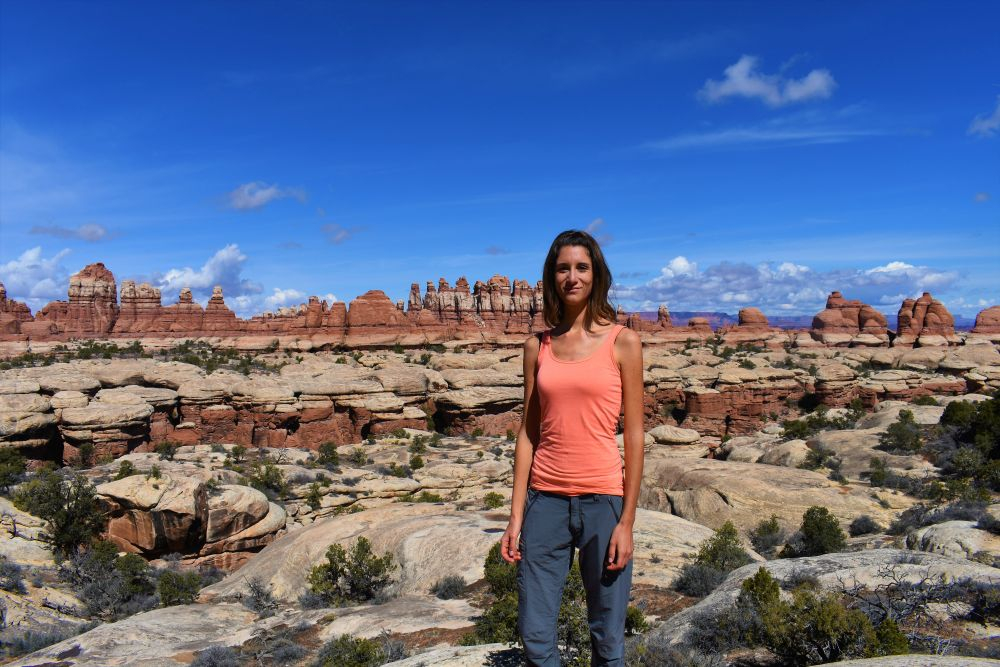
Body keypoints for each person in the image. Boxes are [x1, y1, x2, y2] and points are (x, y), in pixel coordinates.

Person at [501, 229, 645, 666]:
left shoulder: (623, 342)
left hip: (604, 501)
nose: (572, 277)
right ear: (552, 276)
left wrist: (627, 522)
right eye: (563, 268)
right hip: (545, 501)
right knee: (535, 636)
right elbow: (528, 433)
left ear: (596, 274)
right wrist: (515, 516)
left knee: (608, 637)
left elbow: (634, 434)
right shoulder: (537, 347)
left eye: (581, 267)